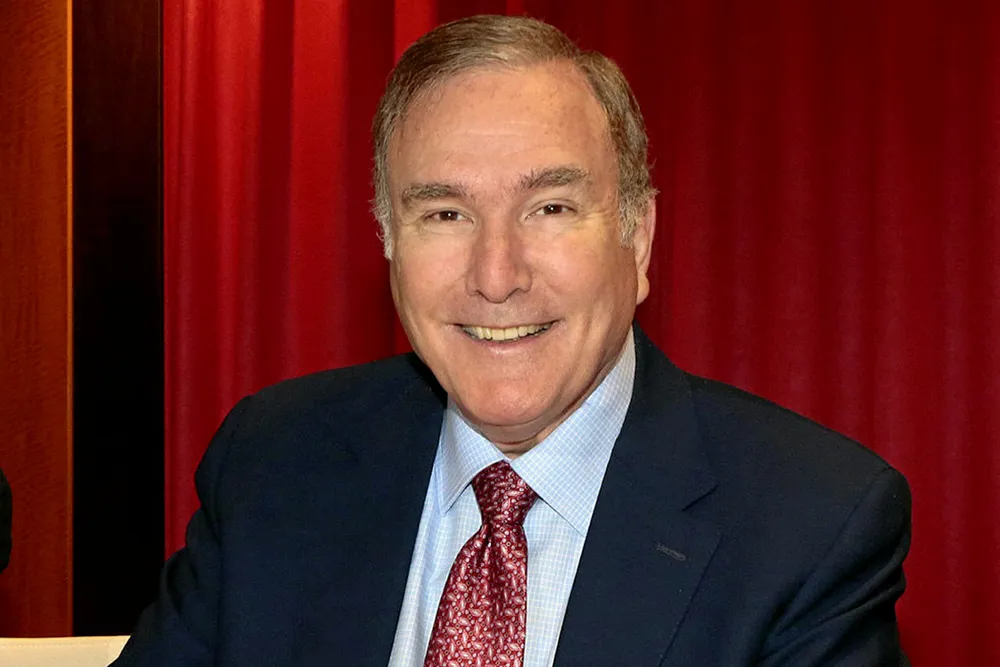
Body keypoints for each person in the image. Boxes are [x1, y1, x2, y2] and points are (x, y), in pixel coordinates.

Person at [114, 14, 910, 667]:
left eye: (550, 208)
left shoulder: (808, 524)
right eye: (445, 213)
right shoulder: (273, 464)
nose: (496, 275)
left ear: (637, 238)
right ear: (388, 241)